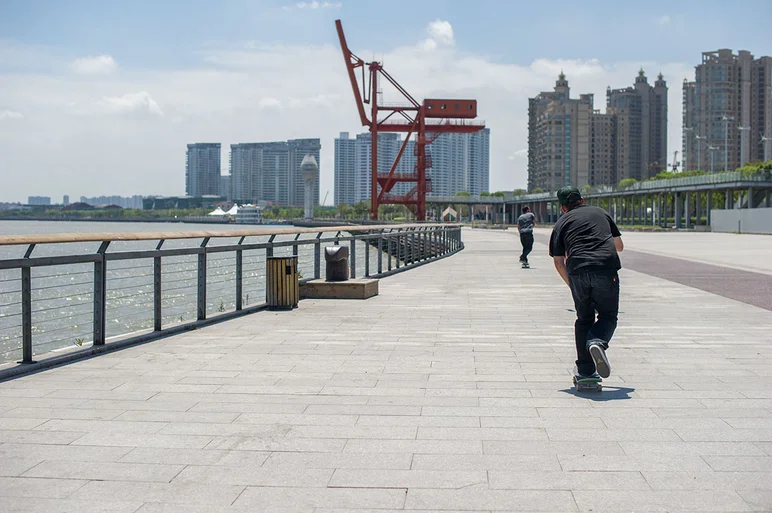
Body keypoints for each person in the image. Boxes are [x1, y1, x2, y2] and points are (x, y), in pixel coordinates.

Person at [548, 186, 623, 379]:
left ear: (563, 207)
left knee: (584, 320)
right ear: (582, 200)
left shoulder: (561, 223)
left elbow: (558, 262)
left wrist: (572, 285)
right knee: (608, 316)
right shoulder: (601, 213)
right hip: (606, 268)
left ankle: (585, 370)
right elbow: (619, 247)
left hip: (578, 270)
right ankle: (597, 342)